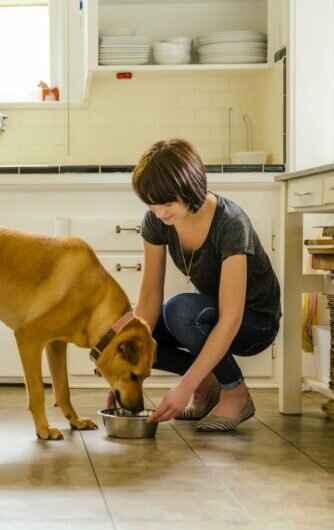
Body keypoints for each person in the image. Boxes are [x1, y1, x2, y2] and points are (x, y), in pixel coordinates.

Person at [117, 138, 281, 432]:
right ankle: (207, 384)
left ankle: (235, 393)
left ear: (190, 188)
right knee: (132, 334)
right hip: (210, 314)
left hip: (255, 323)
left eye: (167, 203)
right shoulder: (157, 221)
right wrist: (126, 371)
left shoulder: (230, 222)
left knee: (180, 311)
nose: (160, 214)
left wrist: (184, 385)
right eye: (152, 205)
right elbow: (150, 297)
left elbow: (231, 317)